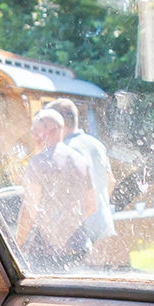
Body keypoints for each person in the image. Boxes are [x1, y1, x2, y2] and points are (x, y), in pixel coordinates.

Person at [15, 108, 95, 269]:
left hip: (47, 251)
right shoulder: (81, 161)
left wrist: (16, 244)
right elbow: (92, 204)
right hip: (79, 245)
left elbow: (30, 209)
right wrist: (70, 225)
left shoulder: (37, 162)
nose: (33, 136)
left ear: (48, 130)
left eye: (35, 130)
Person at [46, 98, 115, 253]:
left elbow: (69, 195)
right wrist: (101, 208)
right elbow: (110, 180)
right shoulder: (96, 144)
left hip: (79, 233)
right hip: (104, 224)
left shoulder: (64, 151)